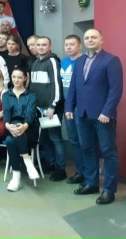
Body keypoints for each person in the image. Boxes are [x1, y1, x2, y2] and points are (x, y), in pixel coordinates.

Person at [65, 29, 123, 205]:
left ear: (101, 40)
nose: (90, 40)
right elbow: (74, 86)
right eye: (87, 37)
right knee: (87, 149)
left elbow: (115, 89)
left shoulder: (111, 60)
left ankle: (109, 190)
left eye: (93, 37)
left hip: (102, 116)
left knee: (108, 151)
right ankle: (91, 183)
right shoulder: (80, 61)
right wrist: (69, 107)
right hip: (82, 114)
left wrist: (107, 111)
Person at [30, 36, 66, 182]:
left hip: (51, 108)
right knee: (45, 138)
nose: (41, 47)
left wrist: (52, 105)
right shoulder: (36, 62)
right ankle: (50, 164)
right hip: (39, 108)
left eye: (44, 45)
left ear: (50, 47)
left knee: (55, 138)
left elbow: (56, 85)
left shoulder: (52, 61)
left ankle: (61, 168)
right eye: (38, 45)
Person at [2, 68, 41, 191]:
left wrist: (24, 125)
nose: (16, 80)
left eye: (19, 77)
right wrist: (7, 125)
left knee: (10, 141)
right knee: (12, 134)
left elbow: (31, 113)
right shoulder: (6, 95)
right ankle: (27, 161)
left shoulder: (31, 95)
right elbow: (6, 112)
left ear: (25, 78)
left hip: (29, 129)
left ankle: (16, 178)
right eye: (14, 77)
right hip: (11, 128)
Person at [60, 34, 85, 185]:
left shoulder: (84, 61)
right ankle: (80, 172)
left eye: (72, 44)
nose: (69, 47)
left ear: (80, 46)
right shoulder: (64, 62)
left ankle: (88, 174)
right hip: (68, 107)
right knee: (74, 141)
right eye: (66, 45)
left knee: (84, 141)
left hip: (81, 108)